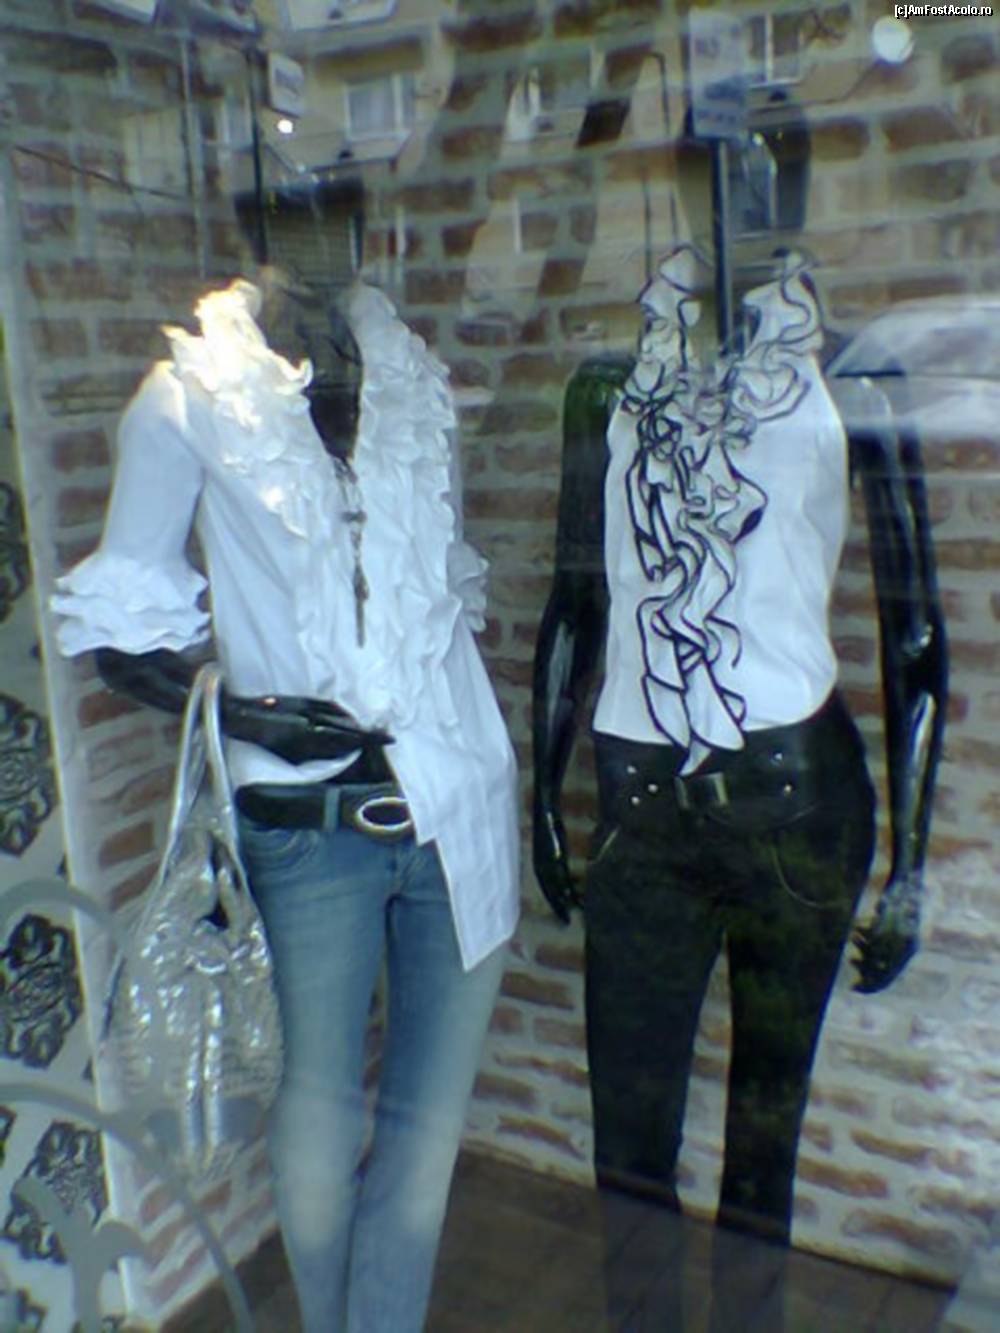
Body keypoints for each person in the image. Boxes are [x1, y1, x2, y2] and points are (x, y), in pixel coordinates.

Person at [50, 177, 519, 1332]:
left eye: (343, 209)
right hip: (307, 837)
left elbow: (434, 595)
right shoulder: (186, 398)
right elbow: (120, 640)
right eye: (296, 211)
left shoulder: (410, 383)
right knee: (315, 1149)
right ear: (252, 228)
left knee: (422, 1147)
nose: (324, 237)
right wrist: (256, 719)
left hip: (458, 802)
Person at [531, 237, 947, 1244]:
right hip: (640, 814)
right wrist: (542, 796)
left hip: (801, 809)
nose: (742, 192)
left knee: (765, 1151)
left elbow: (916, 632)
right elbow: (576, 600)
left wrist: (912, 863)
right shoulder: (609, 386)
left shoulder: (851, 376)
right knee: (627, 1156)